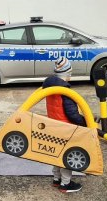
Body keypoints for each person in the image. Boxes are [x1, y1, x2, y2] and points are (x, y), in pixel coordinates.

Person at [42, 57, 86, 193]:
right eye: (70, 74)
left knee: (56, 154)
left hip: (53, 125)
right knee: (66, 156)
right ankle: (65, 184)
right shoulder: (65, 91)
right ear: (66, 74)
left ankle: (56, 179)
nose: (70, 77)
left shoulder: (49, 87)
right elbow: (72, 114)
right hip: (65, 128)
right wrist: (84, 122)